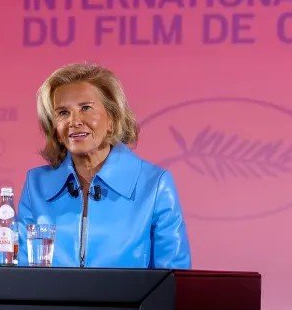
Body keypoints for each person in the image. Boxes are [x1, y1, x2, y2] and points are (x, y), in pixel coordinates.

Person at [17, 63, 191, 268]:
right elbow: (23, 274)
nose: (74, 121)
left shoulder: (155, 185)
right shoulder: (36, 185)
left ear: (112, 119)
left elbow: (174, 277)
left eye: (86, 108)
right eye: (63, 113)